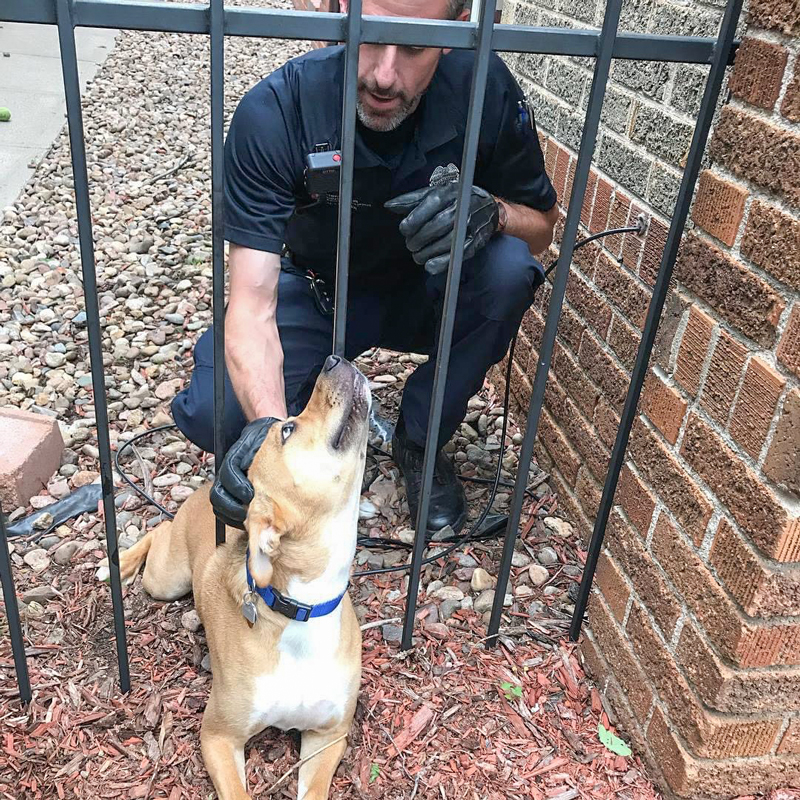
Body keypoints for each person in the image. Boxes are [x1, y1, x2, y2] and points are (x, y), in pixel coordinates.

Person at [172, 0, 559, 537]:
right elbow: (251, 302)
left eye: (413, 47)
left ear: (453, 35)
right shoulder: (280, 108)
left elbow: (543, 225)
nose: (382, 74)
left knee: (510, 266)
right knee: (216, 413)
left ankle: (419, 440)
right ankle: (302, 403)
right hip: (322, 291)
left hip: (430, 291)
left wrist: (493, 212)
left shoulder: (484, 87)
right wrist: (271, 436)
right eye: (369, 36)